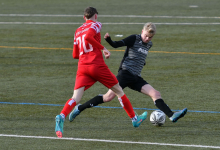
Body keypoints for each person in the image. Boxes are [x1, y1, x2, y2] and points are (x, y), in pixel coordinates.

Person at [55, 7, 147, 138]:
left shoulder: (77, 31)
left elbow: (75, 54)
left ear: (84, 18)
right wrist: (103, 48)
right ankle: (134, 119)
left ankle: (61, 116)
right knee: (119, 91)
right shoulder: (96, 24)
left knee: (75, 98)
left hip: (82, 67)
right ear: (96, 16)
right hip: (96, 65)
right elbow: (88, 37)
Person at [69, 22, 187, 124]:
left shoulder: (149, 45)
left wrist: (141, 63)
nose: (147, 39)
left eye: (150, 37)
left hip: (136, 77)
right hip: (124, 74)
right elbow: (116, 44)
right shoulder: (134, 38)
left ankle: (172, 116)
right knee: (108, 97)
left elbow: (139, 56)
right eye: (146, 35)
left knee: (156, 94)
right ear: (142, 31)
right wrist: (108, 40)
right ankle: (79, 108)